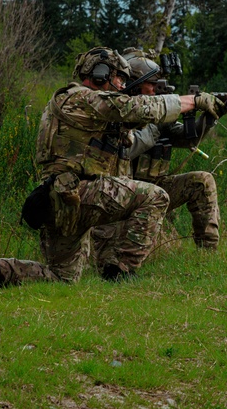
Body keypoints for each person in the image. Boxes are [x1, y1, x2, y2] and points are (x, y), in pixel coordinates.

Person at [0, 47, 225, 290]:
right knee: (156, 197)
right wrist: (193, 101)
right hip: (82, 192)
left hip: (64, 198)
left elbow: (134, 127)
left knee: (61, 278)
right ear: (100, 74)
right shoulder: (80, 98)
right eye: (119, 79)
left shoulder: (79, 105)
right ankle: (121, 271)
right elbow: (137, 108)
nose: (122, 86)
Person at [91, 49, 220, 274]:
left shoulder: (157, 113)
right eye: (152, 84)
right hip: (121, 196)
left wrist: (208, 118)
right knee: (104, 260)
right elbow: (125, 150)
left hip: (155, 189)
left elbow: (187, 138)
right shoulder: (116, 110)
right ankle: (123, 265)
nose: (156, 89)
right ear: (134, 85)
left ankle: (208, 255)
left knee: (202, 181)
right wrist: (156, 122)